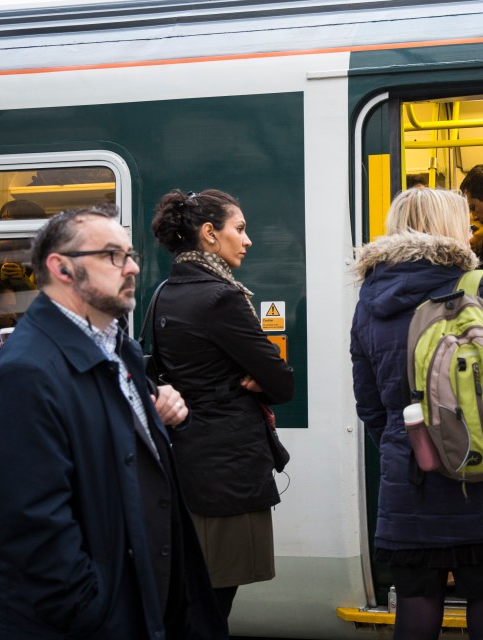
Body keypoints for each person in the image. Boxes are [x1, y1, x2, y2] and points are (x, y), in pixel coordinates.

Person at [0, 206, 227, 639]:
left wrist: (159, 418)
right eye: (112, 256)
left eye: (131, 255)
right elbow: (29, 521)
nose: (131, 267)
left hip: (137, 601)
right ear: (62, 268)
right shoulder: (28, 371)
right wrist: (91, 609)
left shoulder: (117, 348)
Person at [350, 187, 483, 639]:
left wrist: (409, 451)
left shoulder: (371, 301)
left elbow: (370, 404)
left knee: (417, 606)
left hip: (415, 480)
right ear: (449, 227)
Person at [150, 189, 295, 621]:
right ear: (210, 234)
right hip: (227, 470)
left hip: (186, 461)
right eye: (241, 228)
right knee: (212, 604)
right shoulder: (222, 298)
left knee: (191, 598)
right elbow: (281, 381)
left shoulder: (164, 292)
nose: (247, 240)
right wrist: (256, 382)